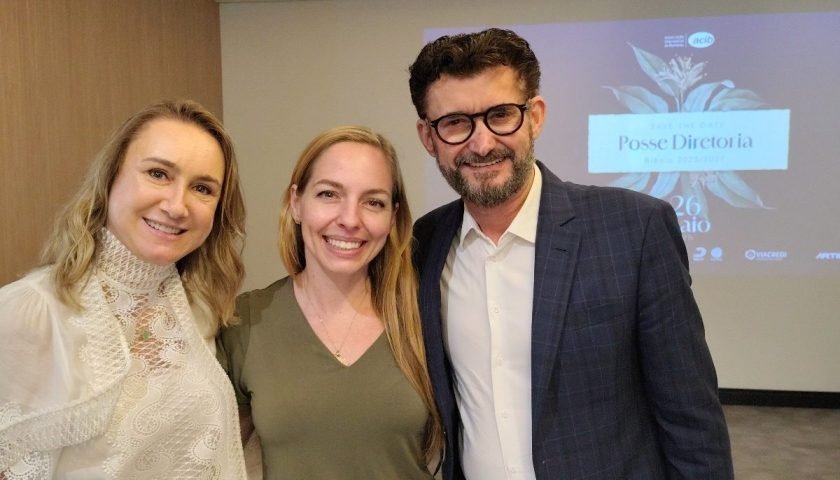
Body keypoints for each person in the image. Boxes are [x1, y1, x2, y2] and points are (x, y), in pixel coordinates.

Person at [408, 28, 734, 479]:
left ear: (535, 116)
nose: (481, 144)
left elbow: (691, 419)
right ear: (428, 137)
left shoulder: (634, 229)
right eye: (455, 123)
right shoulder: (425, 243)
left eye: (501, 115)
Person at [0, 100, 247, 478]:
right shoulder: (28, 310)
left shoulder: (200, 309)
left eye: (202, 188)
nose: (177, 206)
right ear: (111, 177)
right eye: (158, 174)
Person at [216, 126, 443, 479]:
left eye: (373, 202)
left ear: (392, 217)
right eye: (328, 194)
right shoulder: (244, 321)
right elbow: (215, 460)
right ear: (296, 203)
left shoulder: (423, 316)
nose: (350, 220)